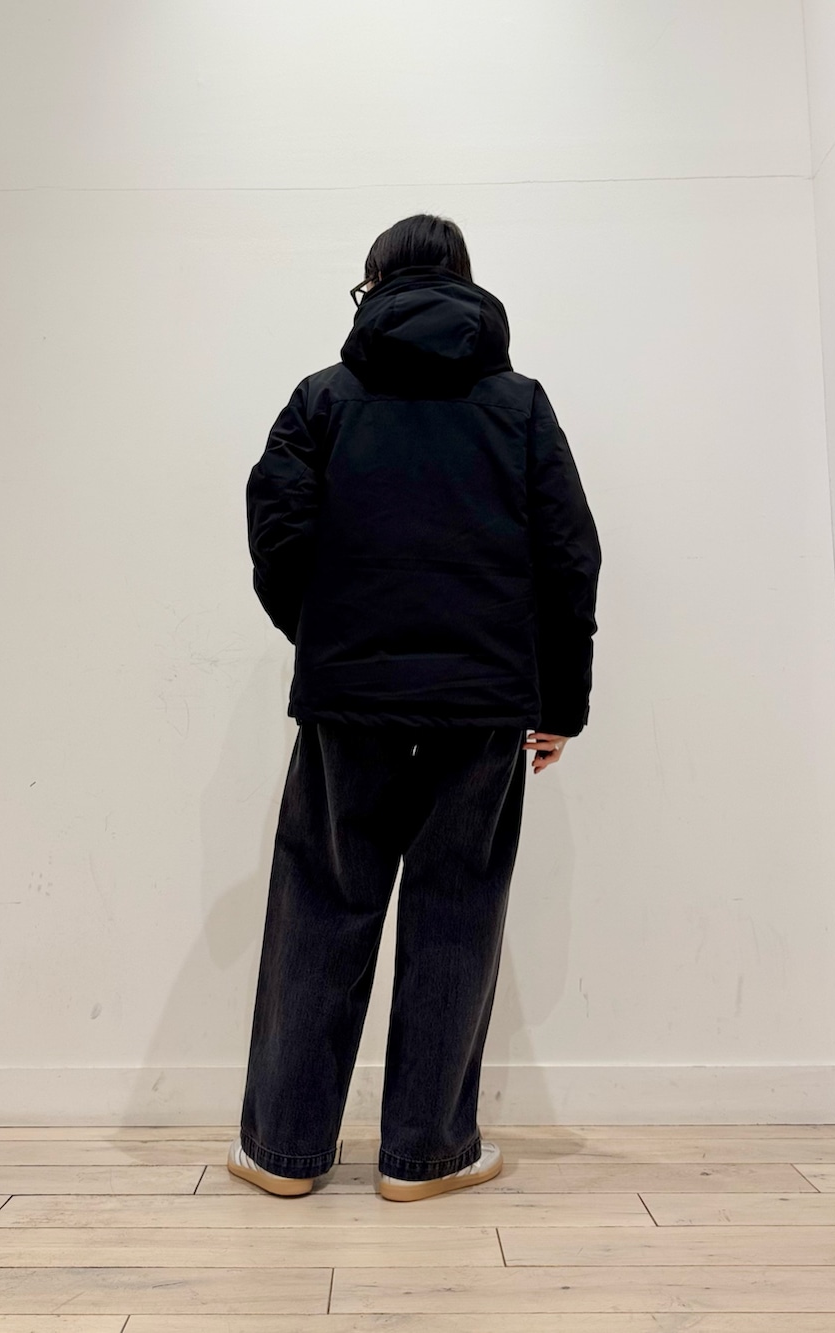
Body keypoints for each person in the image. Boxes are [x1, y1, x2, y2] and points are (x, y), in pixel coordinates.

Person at [228, 213, 601, 1202]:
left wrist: (330, 637)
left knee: (321, 906)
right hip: (481, 706)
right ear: (468, 286)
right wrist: (560, 700)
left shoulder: (324, 398)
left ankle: (283, 1154)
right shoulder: (517, 406)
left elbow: (276, 534)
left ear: (372, 288)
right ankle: (424, 1158)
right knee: (454, 913)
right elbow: (570, 555)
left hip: (350, 703)